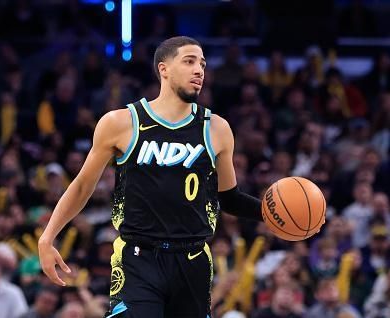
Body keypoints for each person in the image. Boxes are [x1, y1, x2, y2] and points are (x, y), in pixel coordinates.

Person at [38, 36, 263, 318]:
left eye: (203, 64)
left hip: (193, 259)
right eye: (189, 61)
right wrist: (47, 237)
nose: (199, 70)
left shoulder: (216, 128)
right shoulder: (121, 122)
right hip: (137, 258)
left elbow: (229, 199)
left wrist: (272, 215)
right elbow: (83, 185)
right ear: (163, 69)